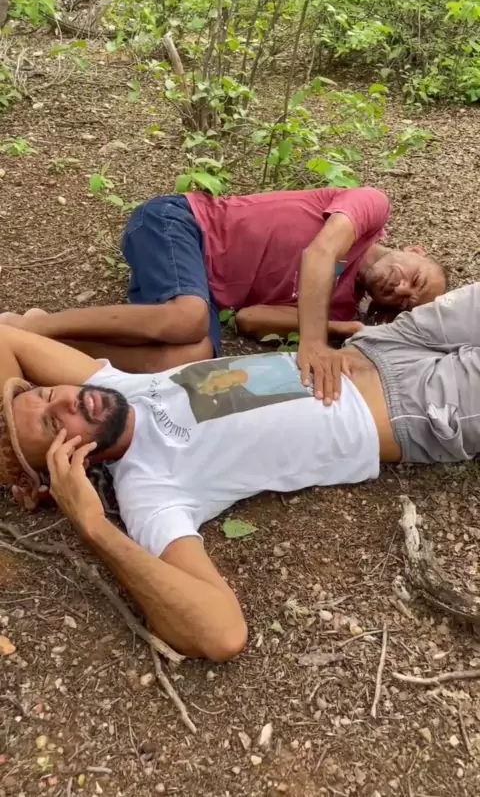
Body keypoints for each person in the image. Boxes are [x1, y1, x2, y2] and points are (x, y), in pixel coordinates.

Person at [0, 282, 478, 662]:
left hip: (381, 344)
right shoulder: (150, 491)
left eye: (45, 393)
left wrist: (10, 454)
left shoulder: (115, 387)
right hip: (419, 407)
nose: (65, 401)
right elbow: (222, 633)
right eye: (51, 424)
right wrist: (91, 524)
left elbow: (6, 338)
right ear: (71, 463)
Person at [0, 187, 447, 406]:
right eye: (416, 279)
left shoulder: (338, 306)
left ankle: (37, 343)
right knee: (189, 318)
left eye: (406, 302)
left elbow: (250, 319)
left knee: (191, 356)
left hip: (198, 291)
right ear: (415, 251)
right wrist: (313, 342)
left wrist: (339, 326)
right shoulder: (370, 208)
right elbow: (320, 252)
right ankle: (31, 326)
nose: (402, 289)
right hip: (181, 224)